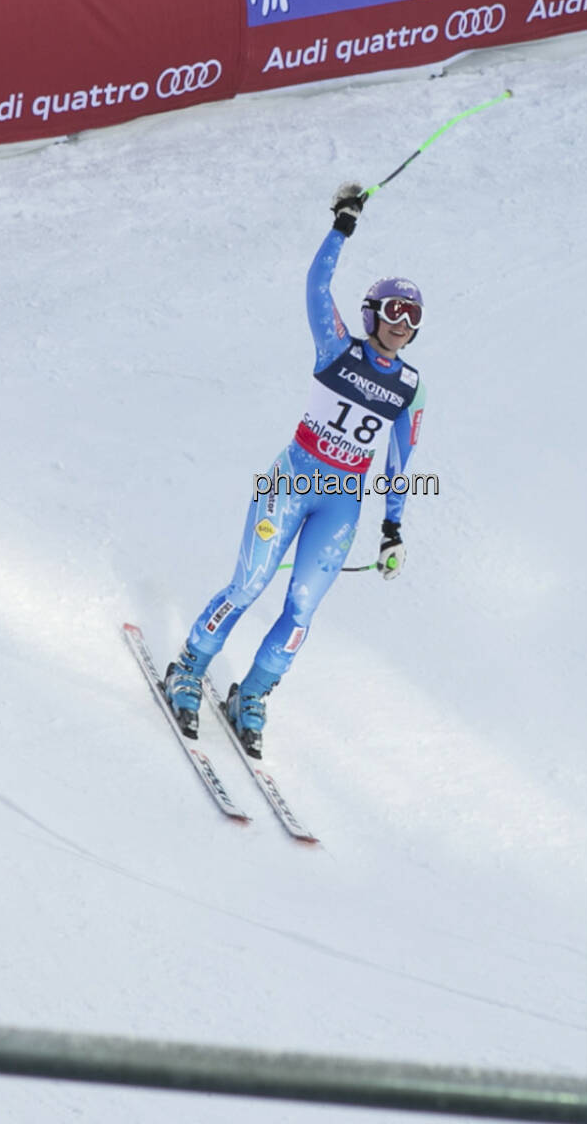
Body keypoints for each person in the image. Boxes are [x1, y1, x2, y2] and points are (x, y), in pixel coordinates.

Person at [164, 182, 426, 758]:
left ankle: (252, 695)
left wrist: (393, 529)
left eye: (413, 316)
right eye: (393, 312)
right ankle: (187, 667)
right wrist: (342, 224)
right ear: (372, 313)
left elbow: (400, 462)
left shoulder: (410, 388)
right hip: (291, 479)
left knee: (302, 608)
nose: (401, 324)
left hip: (342, 501)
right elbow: (317, 285)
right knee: (250, 583)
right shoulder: (337, 347)